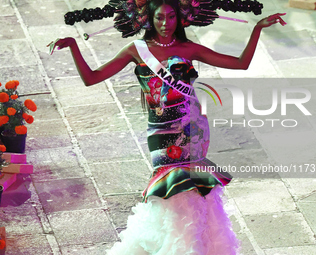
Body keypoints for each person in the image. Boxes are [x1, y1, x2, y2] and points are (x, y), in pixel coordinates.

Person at [48, 0, 286, 254]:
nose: (165, 24)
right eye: (160, 18)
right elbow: (91, 78)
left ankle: (198, 244)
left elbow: (240, 63)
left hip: (192, 128)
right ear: (149, 18)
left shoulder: (188, 47)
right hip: (161, 132)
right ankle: (173, 245)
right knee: (170, 189)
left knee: (194, 188)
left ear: (180, 18)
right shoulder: (136, 50)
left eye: (171, 17)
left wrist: (257, 29)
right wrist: (74, 46)